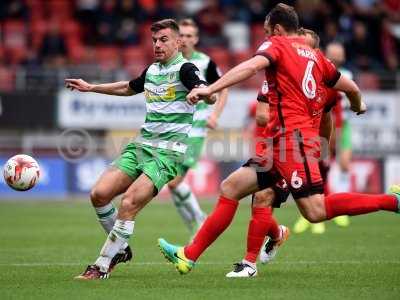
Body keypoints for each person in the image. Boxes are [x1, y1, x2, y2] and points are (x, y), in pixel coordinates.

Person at [157, 3, 399, 277]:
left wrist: (210, 88)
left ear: (279, 30)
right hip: (280, 145)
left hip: (294, 142)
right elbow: (351, 88)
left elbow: (250, 68)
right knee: (231, 186)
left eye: (267, 32)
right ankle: (188, 256)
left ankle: (391, 202)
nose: (265, 37)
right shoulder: (318, 58)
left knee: (315, 210)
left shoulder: (279, 46)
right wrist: (358, 104)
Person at [65, 19, 216, 280]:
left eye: (164, 39)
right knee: (99, 194)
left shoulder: (186, 69)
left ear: (179, 42)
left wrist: (202, 93)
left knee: (129, 203)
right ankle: (120, 249)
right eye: (155, 40)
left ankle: (101, 265)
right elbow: (127, 87)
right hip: (140, 146)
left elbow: (208, 92)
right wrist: (91, 88)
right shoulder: (152, 70)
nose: (157, 45)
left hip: (166, 155)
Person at [167, 19, 228, 239]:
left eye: (189, 35)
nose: (184, 39)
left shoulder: (205, 62)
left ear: (196, 39)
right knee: (171, 183)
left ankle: (200, 220)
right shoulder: (171, 62)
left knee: (173, 181)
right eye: (181, 35)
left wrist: (215, 115)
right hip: (174, 129)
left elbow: (224, 90)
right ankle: (195, 224)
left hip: (195, 131)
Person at [293, 41, 353, 234]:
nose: (335, 58)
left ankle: (324, 213)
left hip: (332, 127)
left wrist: (336, 134)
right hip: (313, 128)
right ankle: (313, 216)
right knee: (313, 171)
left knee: (325, 169)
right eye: (332, 54)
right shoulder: (317, 71)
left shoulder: (343, 77)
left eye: (339, 54)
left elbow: (338, 110)